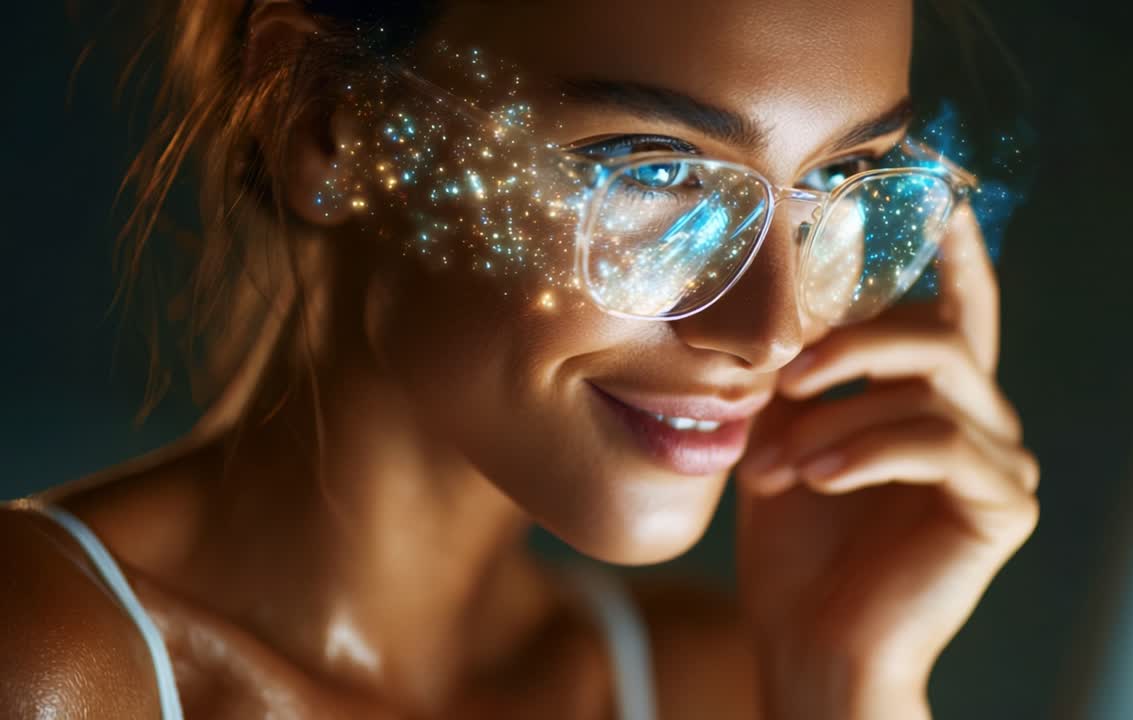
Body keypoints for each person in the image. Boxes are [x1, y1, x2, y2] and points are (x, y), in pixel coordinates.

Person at [0, 0, 1039, 717]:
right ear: (330, 125)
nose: (769, 329)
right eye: (657, 168)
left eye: (846, 170)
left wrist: (843, 687)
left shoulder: (713, 690)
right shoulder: (42, 663)